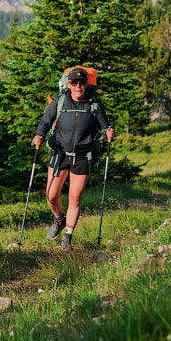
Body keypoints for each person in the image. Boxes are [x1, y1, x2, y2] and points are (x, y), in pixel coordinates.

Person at [31, 67, 114, 251]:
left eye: (81, 83)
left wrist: (108, 132)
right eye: (74, 83)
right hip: (60, 154)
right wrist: (39, 135)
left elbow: (104, 127)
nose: (78, 86)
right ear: (68, 84)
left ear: (86, 84)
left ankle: (67, 236)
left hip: (83, 156)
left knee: (75, 198)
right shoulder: (60, 101)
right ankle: (59, 219)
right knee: (51, 195)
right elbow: (45, 121)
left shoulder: (94, 105)